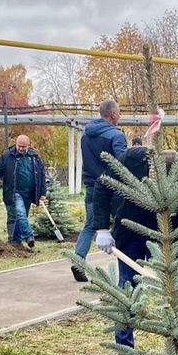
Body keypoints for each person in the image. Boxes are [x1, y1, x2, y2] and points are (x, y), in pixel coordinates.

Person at [92, 148, 178, 355]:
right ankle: (125, 353)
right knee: (127, 288)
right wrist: (102, 228)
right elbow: (102, 186)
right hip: (130, 228)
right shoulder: (131, 161)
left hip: (169, 234)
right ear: (150, 168)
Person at [72, 99, 127, 281]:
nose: (119, 116)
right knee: (123, 224)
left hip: (91, 186)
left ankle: (78, 260)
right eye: (118, 113)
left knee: (90, 224)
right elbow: (122, 163)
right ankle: (126, 272)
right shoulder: (116, 136)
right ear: (112, 114)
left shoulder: (86, 136)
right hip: (112, 188)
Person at [0, 134, 48, 249]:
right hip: (14, 191)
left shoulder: (34, 157)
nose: (21, 149)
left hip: (29, 193)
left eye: (23, 147)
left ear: (28, 146)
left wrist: (43, 193)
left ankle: (15, 241)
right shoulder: (7, 156)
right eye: (19, 146)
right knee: (20, 213)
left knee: (22, 217)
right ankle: (29, 236)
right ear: (16, 144)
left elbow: (41, 175)